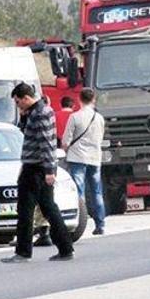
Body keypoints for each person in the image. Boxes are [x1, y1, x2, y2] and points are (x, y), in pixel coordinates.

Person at [2, 83, 74, 263]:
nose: (18, 107)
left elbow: (47, 144)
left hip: (37, 168)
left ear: (26, 98)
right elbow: (26, 132)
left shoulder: (40, 113)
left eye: (19, 103)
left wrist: (49, 170)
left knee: (26, 209)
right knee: (48, 207)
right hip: (36, 166)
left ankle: (23, 251)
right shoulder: (38, 111)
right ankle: (65, 248)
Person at [62, 88, 106, 234]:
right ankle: (100, 224)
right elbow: (100, 138)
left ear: (80, 99)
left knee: (79, 192)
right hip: (95, 157)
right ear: (93, 99)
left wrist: (67, 149)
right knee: (96, 191)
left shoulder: (75, 117)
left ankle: (80, 223)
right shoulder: (99, 118)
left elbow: (66, 140)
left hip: (77, 158)